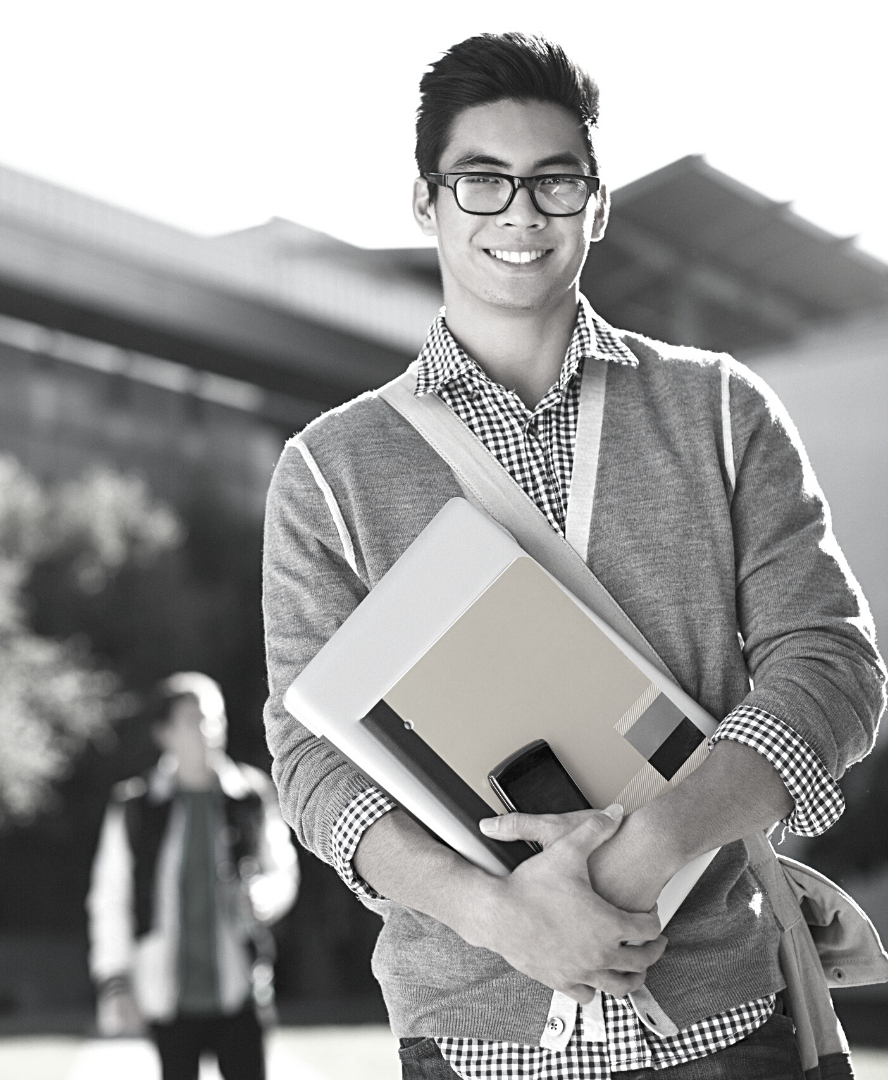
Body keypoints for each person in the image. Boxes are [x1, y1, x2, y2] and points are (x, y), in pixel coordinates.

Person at [261, 32, 885, 1080]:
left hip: (722, 1021)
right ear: (426, 203)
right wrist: (501, 917)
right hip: (474, 1034)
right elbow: (310, 759)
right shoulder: (330, 469)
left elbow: (832, 669)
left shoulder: (719, 411)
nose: (521, 213)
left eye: (556, 182)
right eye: (482, 182)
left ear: (597, 205)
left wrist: (642, 855)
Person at [87, 671, 299, 1080]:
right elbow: (109, 898)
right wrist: (115, 982)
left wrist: (267, 897)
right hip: (166, 994)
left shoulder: (251, 796)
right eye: (193, 720)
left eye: (215, 718)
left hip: (240, 987)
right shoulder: (134, 807)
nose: (208, 731)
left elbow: (282, 870)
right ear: (164, 733)